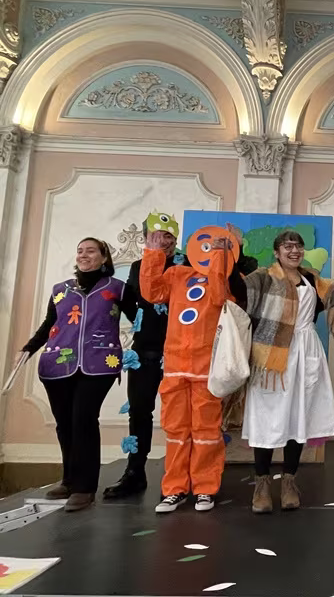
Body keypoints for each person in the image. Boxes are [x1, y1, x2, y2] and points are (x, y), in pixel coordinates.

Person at [18, 238, 137, 511]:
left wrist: (147, 350)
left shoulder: (118, 288)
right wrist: (28, 349)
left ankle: (85, 488)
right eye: (80, 251)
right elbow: (49, 324)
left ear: (104, 257)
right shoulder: (61, 290)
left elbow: (138, 320)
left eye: (91, 251)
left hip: (100, 363)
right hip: (57, 364)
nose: (84, 255)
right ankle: (69, 480)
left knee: (83, 419)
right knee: (65, 423)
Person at [140, 225, 241, 514]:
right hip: (175, 367)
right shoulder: (177, 274)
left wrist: (221, 256)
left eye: (216, 247)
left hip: (206, 369)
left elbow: (218, 297)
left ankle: (205, 488)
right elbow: (152, 292)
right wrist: (153, 254)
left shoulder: (225, 282)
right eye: (207, 247)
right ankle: (174, 489)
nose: (209, 251)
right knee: (176, 430)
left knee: (206, 431)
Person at [243, 230, 334, 514]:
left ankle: (288, 482)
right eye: (287, 246)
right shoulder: (264, 277)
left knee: (299, 416)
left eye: (298, 246)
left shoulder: (313, 279)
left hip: (306, 352)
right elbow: (238, 292)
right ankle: (262, 484)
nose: (294, 251)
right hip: (271, 355)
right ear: (277, 252)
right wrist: (231, 251)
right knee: (267, 417)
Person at [104, 214, 181, 499]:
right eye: (156, 236)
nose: (163, 241)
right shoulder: (139, 266)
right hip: (144, 352)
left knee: (181, 416)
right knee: (139, 412)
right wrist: (153, 257)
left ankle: (181, 476)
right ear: (146, 238)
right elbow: (146, 299)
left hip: (180, 353)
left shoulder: (188, 264)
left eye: (168, 236)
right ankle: (135, 472)